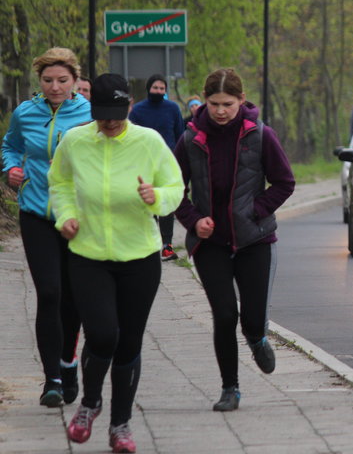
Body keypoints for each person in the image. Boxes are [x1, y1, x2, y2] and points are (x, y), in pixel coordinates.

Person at [48, 73, 184, 452]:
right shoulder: (75, 140)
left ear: (129, 107)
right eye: (102, 115)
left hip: (140, 257)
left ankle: (120, 424)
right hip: (88, 255)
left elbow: (175, 188)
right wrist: (65, 215)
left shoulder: (149, 141)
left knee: (128, 343)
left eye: (116, 115)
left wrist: (155, 196)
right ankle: (90, 402)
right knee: (103, 334)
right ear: (92, 109)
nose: (109, 123)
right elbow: (59, 182)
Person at [174, 68, 295, 412]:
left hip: (254, 240)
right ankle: (230, 388)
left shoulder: (261, 135)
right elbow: (172, 188)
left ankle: (256, 338)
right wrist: (194, 221)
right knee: (225, 315)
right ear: (205, 101)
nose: (221, 111)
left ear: (242, 100)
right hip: (210, 243)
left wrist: (256, 210)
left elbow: (284, 183)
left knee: (251, 320)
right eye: (214, 104)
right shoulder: (190, 139)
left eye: (228, 104)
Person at [1, 48, 91, 407]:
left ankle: (69, 363)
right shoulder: (25, 112)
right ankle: (52, 378)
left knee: (73, 296)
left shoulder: (89, 115)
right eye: (48, 80)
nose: (55, 87)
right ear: (39, 80)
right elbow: (10, 147)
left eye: (62, 80)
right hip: (36, 212)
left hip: (76, 216)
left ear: (75, 81)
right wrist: (11, 170)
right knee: (49, 292)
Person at [128, 74, 185, 262]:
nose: (158, 92)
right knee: (147, 202)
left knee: (165, 203)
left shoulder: (173, 108)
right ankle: (151, 242)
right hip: (144, 162)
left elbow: (180, 134)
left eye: (162, 89)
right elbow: (131, 135)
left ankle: (167, 245)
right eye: (155, 88)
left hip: (167, 162)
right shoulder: (138, 110)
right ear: (148, 89)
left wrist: (180, 159)